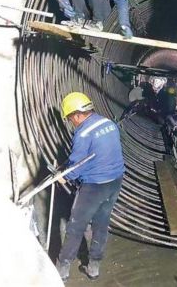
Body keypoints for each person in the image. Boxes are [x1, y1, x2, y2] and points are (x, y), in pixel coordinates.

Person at [55, 92, 125, 282]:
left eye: (70, 119)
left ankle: (63, 268)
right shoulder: (109, 123)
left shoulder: (83, 133)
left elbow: (77, 166)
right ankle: (94, 267)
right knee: (101, 224)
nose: (72, 123)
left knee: (76, 226)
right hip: (115, 181)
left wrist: (64, 177)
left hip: (94, 186)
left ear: (77, 115)